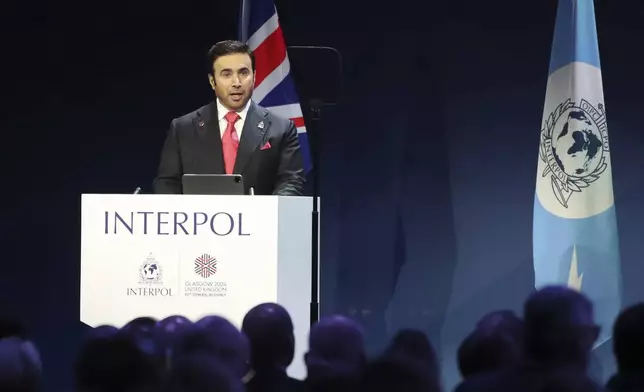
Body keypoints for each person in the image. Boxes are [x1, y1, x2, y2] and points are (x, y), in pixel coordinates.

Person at [153, 40, 305, 196]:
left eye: (243, 73)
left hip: (258, 218)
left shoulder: (281, 129)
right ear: (212, 81)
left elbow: (291, 181)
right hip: (199, 219)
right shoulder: (182, 129)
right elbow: (167, 183)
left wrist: (269, 213)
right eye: (227, 74)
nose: (237, 83)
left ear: (254, 77)